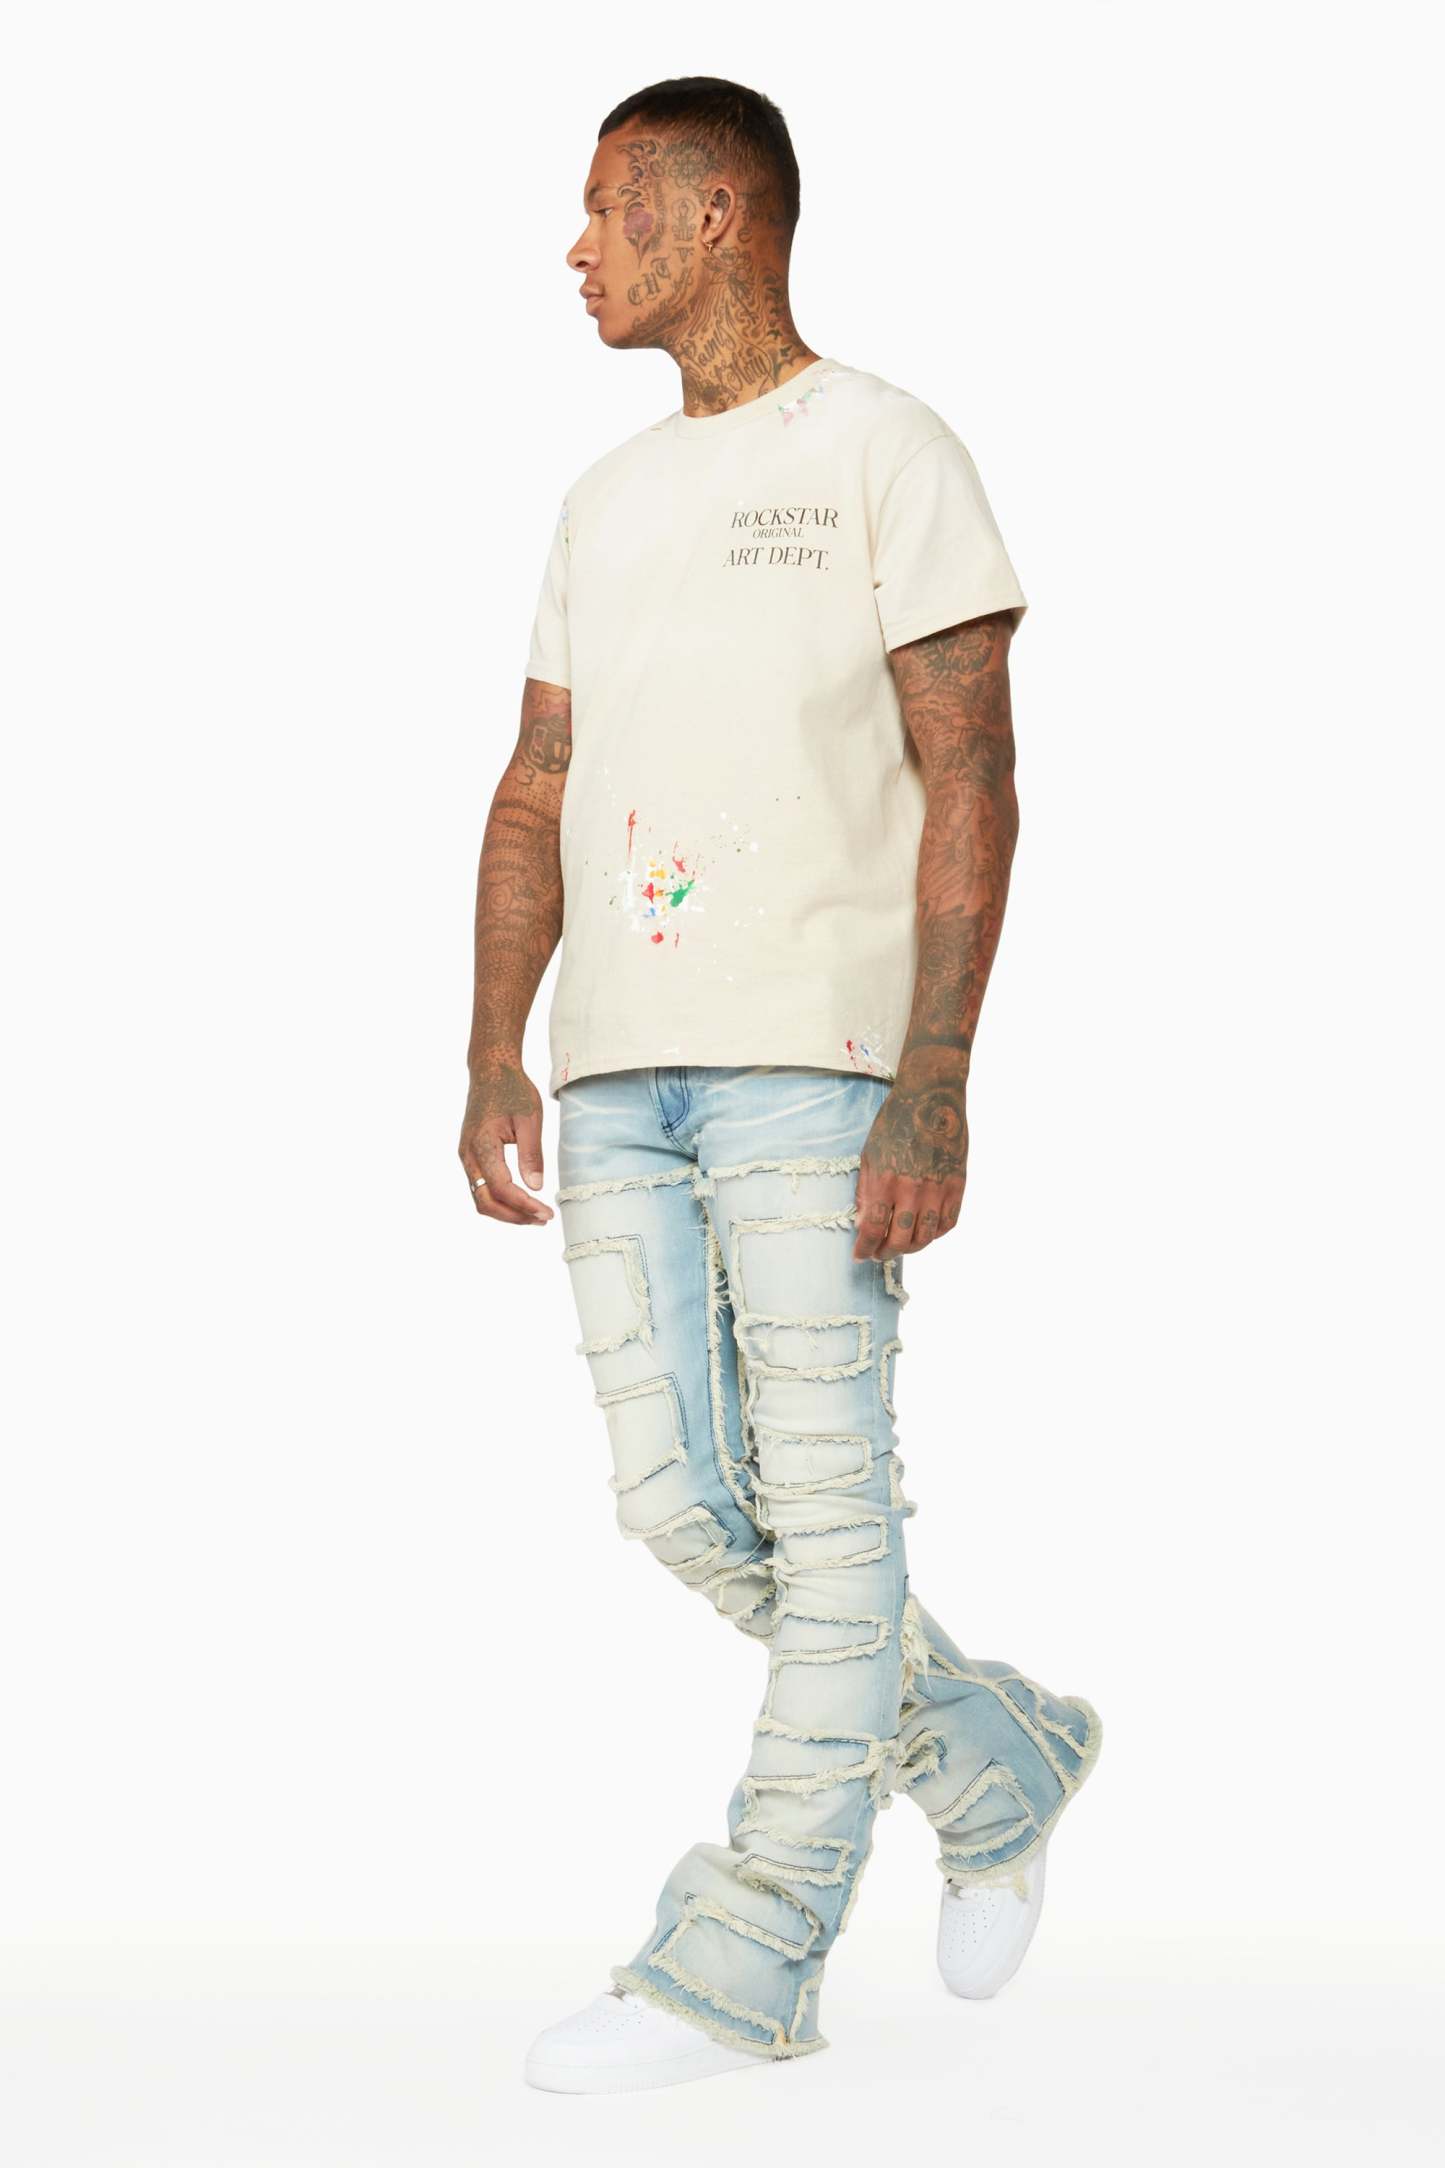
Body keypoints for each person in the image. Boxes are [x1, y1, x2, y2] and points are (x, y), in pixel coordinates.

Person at [459, 76, 1102, 2094]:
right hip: (616, 1074)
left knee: (827, 1515)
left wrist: (936, 1080)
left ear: (718, 213)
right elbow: (539, 781)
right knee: (680, 1502)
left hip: (816, 1072)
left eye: (608, 208)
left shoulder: (886, 451)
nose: (577, 248)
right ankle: (988, 1755)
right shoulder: (600, 501)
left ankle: (742, 1958)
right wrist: (491, 1044)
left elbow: (973, 771)